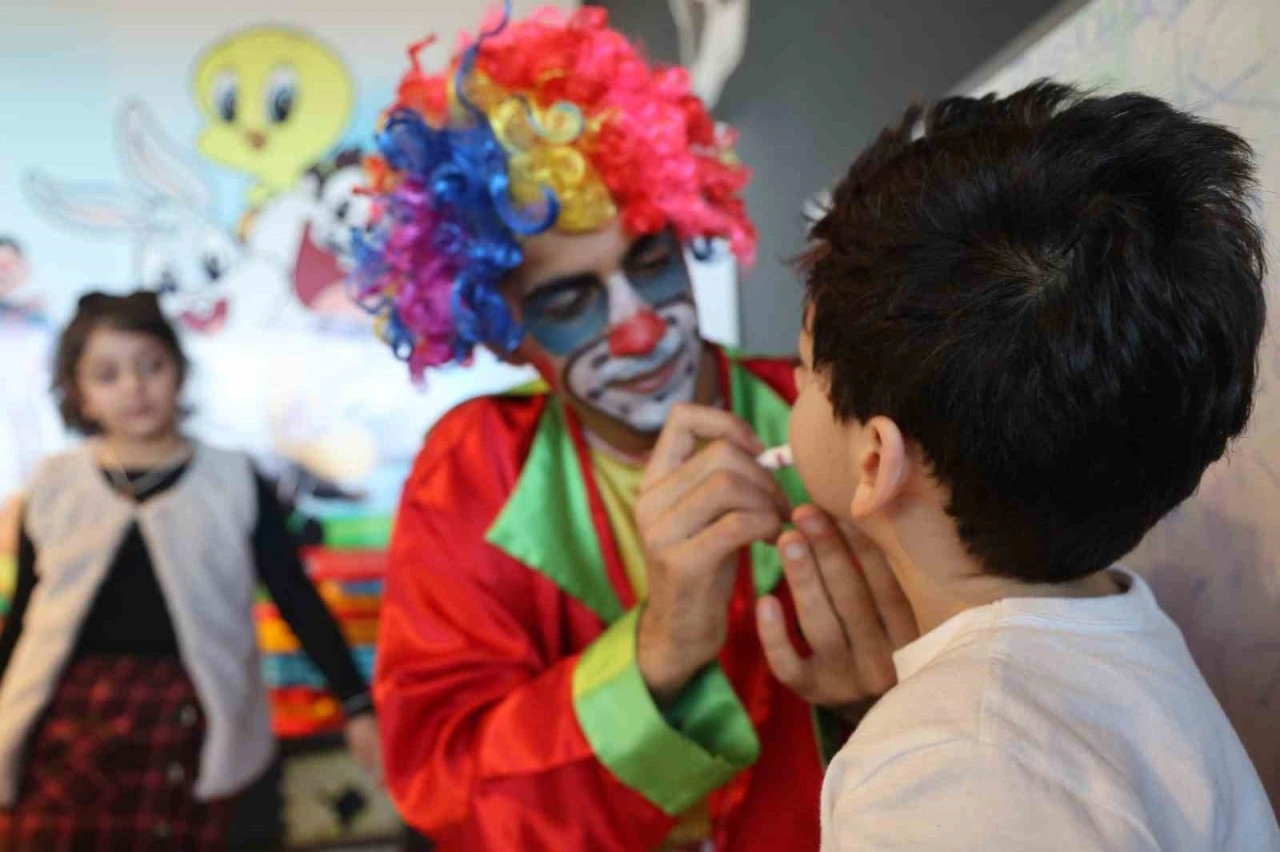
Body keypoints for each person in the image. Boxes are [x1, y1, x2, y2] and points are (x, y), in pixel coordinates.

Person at [648, 81, 1277, 850]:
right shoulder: (1120, 633)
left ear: (875, 460)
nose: (789, 383)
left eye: (806, 369)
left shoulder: (946, 767)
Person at [353, 6, 912, 850]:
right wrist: (658, 648)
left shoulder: (830, 409)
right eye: (568, 300)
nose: (640, 328)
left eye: (650, 260)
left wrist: (880, 710)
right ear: (505, 331)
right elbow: (451, 792)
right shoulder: (471, 470)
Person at [0, 291, 382, 850]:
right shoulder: (54, 483)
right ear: (79, 393)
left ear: (178, 370)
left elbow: (296, 597)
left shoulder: (233, 479)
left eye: (151, 366)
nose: (134, 387)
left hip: (197, 721)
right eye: (107, 375)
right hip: (68, 723)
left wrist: (356, 703)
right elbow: (25, 618)